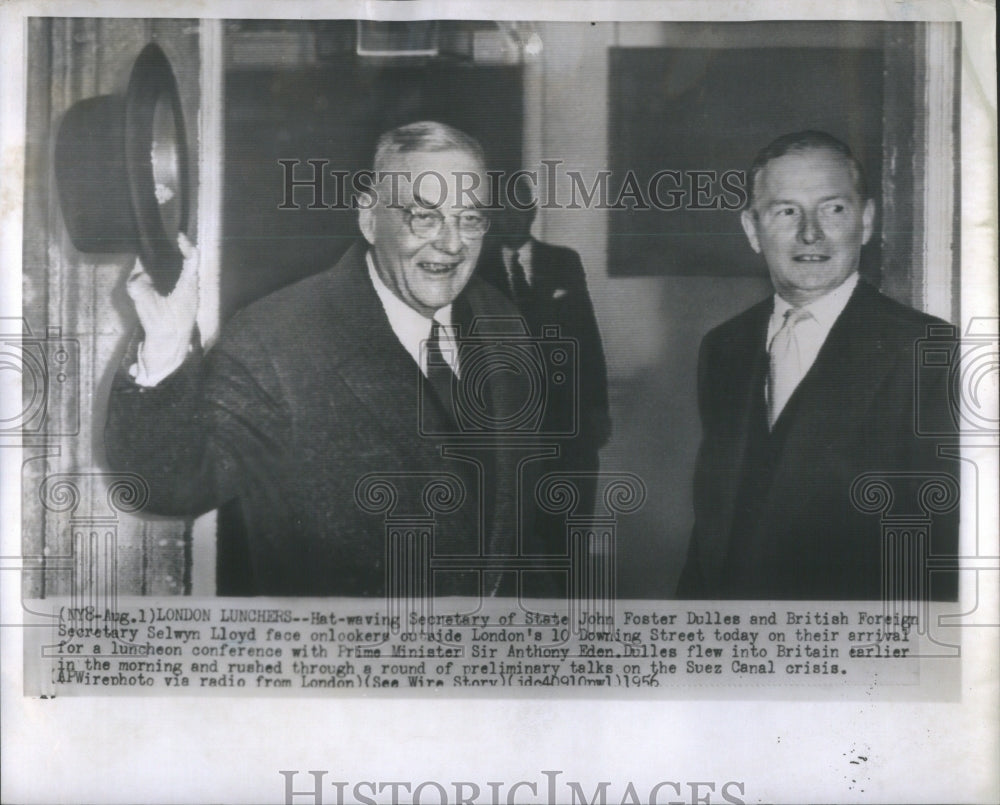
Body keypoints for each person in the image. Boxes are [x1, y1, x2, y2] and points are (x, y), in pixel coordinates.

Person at [106, 121, 545, 597]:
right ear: (370, 219)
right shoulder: (276, 339)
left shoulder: (502, 323)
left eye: (470, 218)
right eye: (424, 216)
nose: (452, 243)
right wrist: (167, 343)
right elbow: (167, 485)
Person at [677, 130, 959, 601]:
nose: (811, 233)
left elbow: (941, 554)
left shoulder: (927, 350)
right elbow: (713, 530)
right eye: (786, 211)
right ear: (752, 229)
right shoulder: (724, 348)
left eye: (833, 209)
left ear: (866, 221)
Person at [476, 186, 611, 536]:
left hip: (563, 417)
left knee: (566, 527)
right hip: (503, 421)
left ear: (532, 212)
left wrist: (597, 409)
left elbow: (587, 342)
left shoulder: (563, 262)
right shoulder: (475, 268)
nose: (510, 217)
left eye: (518, 209)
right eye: (501, 210)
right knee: (512, 528)